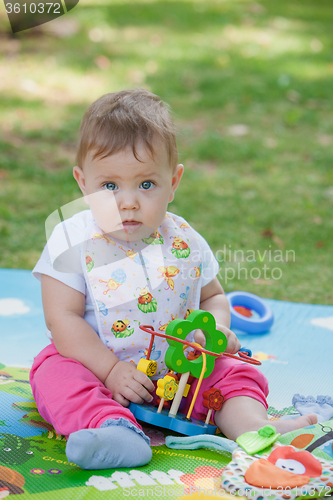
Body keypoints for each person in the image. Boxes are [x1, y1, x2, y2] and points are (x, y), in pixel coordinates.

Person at [30, 88, 317, 471]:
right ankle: (112, 429)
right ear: (83, 183)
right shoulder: (71, 238)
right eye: (109, 186)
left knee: (235, 370)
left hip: (181, 376)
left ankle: (252, 427)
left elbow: (213, 296)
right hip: (98, 368)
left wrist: (213, 328)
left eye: (146, 185)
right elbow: (61, 319)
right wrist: (110, 370)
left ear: (173, 181)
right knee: (53, 372)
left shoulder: (184, 240)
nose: (128, 202)